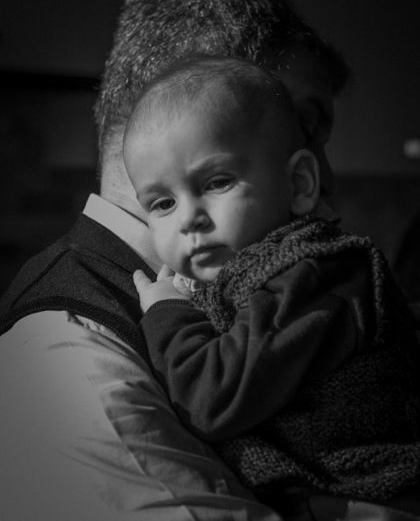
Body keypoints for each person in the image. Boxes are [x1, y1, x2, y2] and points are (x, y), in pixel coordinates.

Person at [0, 0, 349, 520]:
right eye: (301, 127)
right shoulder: (69, 357)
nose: (322, 178)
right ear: (183, 94)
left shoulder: (264, 286)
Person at [125, 55, 420, 519]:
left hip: (376, 499)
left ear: (299, 183)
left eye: (217, 181)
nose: (188, 219)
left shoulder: (311, 273)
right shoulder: (247, 274)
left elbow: (213, 399)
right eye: (161, 203)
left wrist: (166, 313)